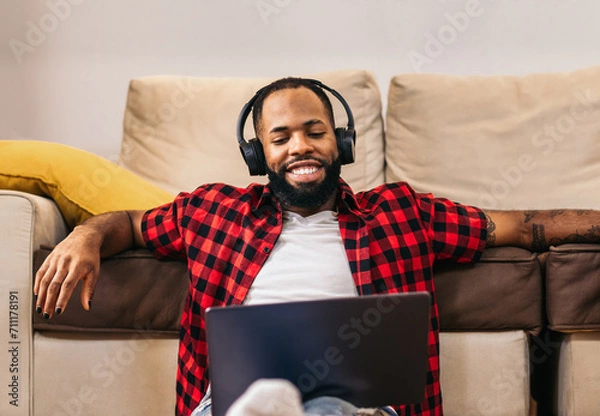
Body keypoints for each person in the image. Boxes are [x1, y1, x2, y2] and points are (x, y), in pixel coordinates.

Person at [34, 77, 600, 416]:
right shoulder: (212, 211)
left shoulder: (401, 211)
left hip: (358, 405)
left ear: (341, 142)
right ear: (260, 156)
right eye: (280, 137)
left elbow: (521, 226)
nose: (299, 146)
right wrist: (85, 234)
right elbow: (132, 224)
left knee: (327, 407)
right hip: (232, 403)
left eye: (315, 130)